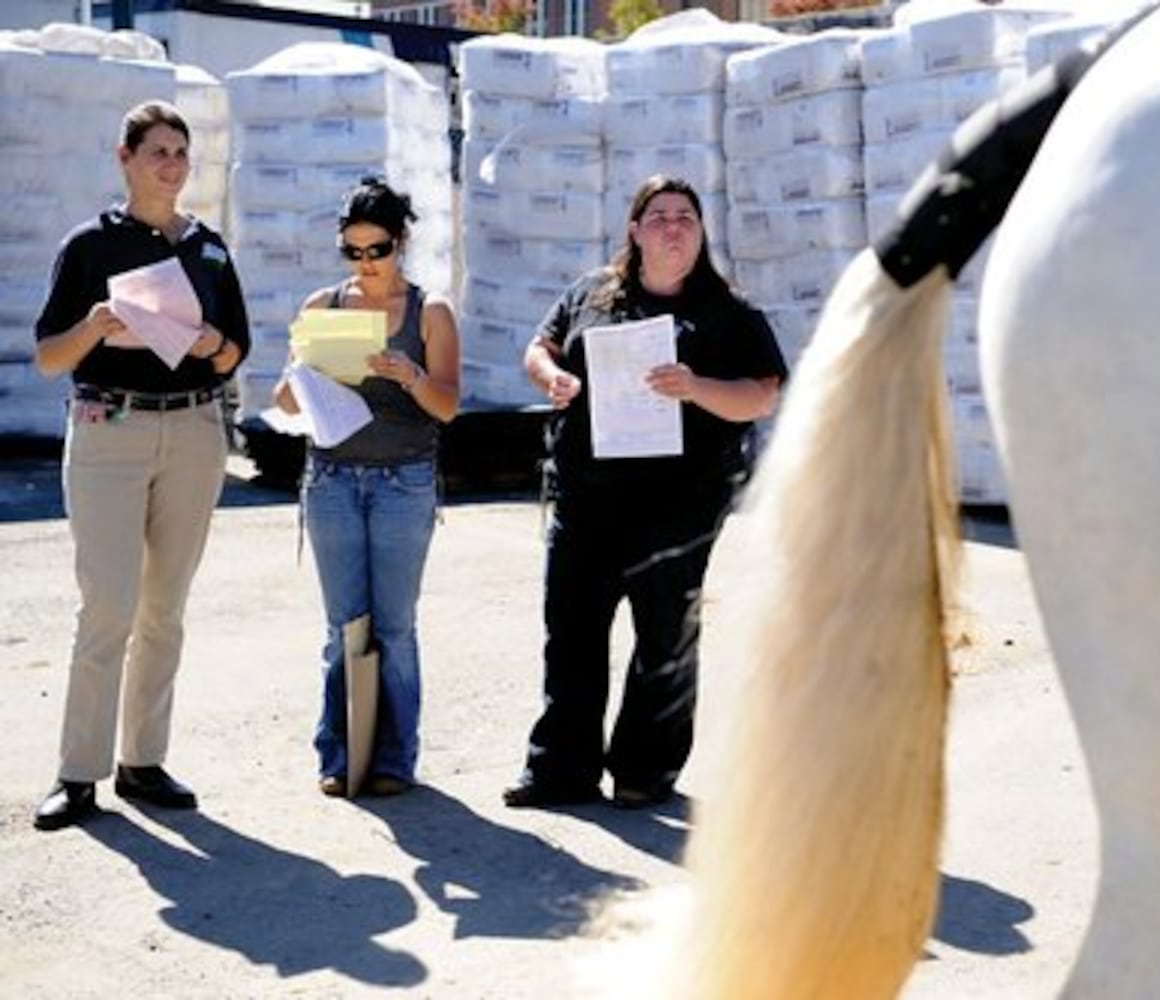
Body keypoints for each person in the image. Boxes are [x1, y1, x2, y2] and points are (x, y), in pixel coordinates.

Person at [505, 174, 788, 810]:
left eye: (685, 216)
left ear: (701, 231)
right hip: (586, 497)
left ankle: (644, 772)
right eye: (657, 215)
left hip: (679, 508)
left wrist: (695, 387)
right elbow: (539, 347)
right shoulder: (591, 295)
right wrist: (552, 377)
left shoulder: (729, 313)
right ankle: (560, 772)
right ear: (634, 230)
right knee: (572, 634)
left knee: (663, 638)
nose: (672, 226)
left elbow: (763, 393)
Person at [31, 100, 249, 831]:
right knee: (108, 607)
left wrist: (212, 344)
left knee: (165, 611)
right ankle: (78, 773)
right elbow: (47, 358)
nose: (172, 165)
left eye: (181, 153)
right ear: (124, 159)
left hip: (193, 431)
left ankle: (143, 762)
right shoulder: (88, 246)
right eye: (158, 152)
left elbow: (235, 351)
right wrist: (92, 325)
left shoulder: (211, 250)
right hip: (108, 433)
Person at [273, 176, 459, 798]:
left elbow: (449, 405)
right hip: (330, 479)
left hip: (404, 481)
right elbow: (282, 400)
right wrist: (304, 369)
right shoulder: (322, 306)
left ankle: (394, 758)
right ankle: (338, 751)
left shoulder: (431, 311)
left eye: (376, 250)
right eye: (352, 252)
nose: (365, 264)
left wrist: (408, 375)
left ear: (401, 241)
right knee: (342, 624)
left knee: (395, 625)